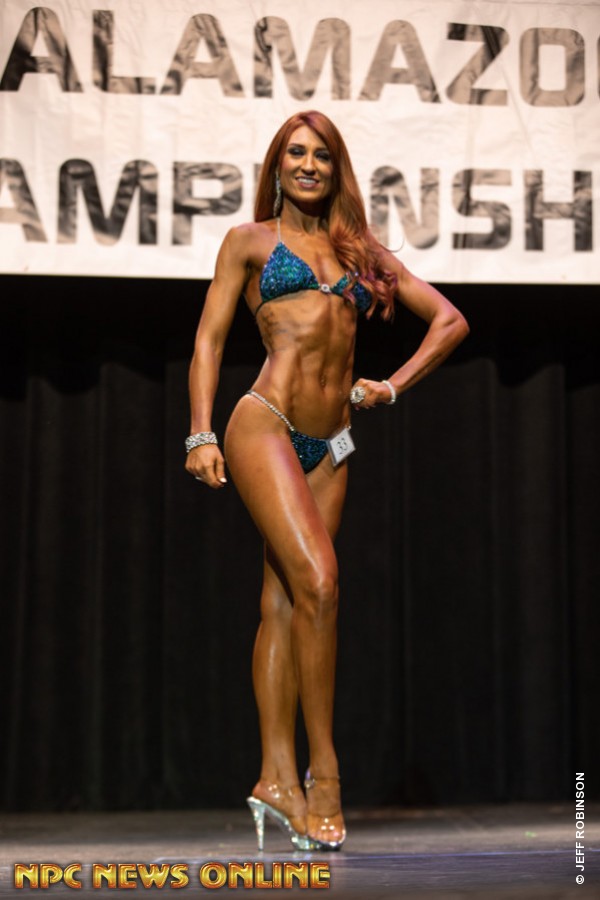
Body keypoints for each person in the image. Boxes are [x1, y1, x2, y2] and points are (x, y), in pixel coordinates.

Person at [185, 110, 469, 852]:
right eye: (296, 153)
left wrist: (392, 386)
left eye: (321, 155)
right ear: (277, 166)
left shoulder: (359, 252)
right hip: (266, 422)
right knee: (320, 582)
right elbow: (208, 340)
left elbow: (448, 321)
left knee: (285, 601)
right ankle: (325, 775)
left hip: (333, 443)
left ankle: (273, 779)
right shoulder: (250, 243)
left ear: (336, 170)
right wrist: (200, 432)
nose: (308, 164)